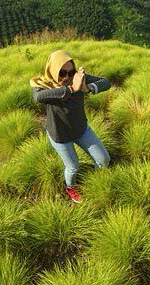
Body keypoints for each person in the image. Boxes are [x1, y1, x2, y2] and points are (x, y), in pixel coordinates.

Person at [29, 49, 111, 203]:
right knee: (73, 167)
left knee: (103, 159)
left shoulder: (79, 79)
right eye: (62, 73)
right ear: (53, 70)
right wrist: (72, 89)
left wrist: (87, 88)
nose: (67, 77)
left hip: (81, 129)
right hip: (60, 135)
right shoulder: (44, 85)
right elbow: (38, 97)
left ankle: (95, 180)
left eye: (71, 72)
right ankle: (70, 187)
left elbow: (106, 82)